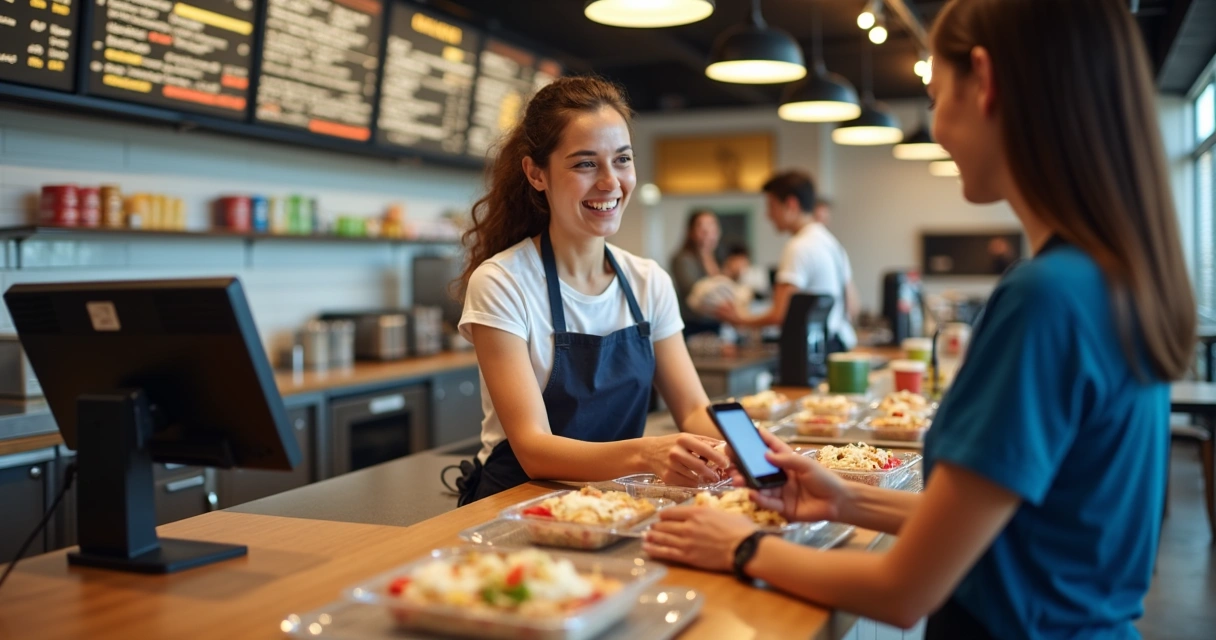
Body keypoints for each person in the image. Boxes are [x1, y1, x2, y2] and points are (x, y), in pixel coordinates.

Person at [642, 1, 1197, 639]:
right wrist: (844, 498)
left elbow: (904, 589)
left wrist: (740, 546)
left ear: (984, 81)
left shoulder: (1045, 299)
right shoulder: (1108, 278)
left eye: (935, 97)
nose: (935, 127)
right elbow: (1008, 523)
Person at [453, 76, 728, 504]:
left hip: (614, 505)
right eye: (585, 164)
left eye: (622, 160)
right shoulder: (502, 283)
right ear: (535, 173)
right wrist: (649, 452)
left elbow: (693, 409)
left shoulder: (648, 280)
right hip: (517, 505)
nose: (610, 182)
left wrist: (756, 447)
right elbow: (533, 448)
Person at [717, 171, 858, 353]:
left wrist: (739, 319)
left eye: (772, 206)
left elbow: (780, 313)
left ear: (791, 205)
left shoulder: (798, 247)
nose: (768, 215)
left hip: (815, 348)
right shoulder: (831, 243)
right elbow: (853, 305)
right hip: (840, 341)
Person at [670, 210, 723, 336]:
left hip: (716, 322)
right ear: (691, 231)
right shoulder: (683, 259)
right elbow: (693, 291)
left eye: (711, 225)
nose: (707, 230)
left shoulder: (720, 257)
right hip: (694, 324)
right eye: (701, 226)